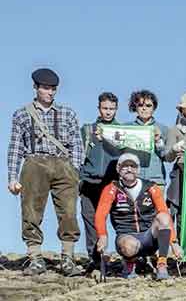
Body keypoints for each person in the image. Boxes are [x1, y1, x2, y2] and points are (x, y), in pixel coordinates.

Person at [7, 68, 85, 276]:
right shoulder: (22, 114)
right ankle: (35, 258)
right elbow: (15, 146)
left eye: (53, 89)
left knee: (68, 212)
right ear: (36, 88)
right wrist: (12, 177)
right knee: (31, 211)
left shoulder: (67, 113)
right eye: (46, 88)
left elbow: (77, 144)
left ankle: (68, 259)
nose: (50, 93)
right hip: (34, 163)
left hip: (63, 164)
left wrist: (74, 168)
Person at [93, 153, 175, 280]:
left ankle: (162, 264)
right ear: (118, 169)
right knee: (128, 246)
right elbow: (100, 215)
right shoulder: (111, 189)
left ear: (138, 169)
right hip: (127, 236)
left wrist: (173, 242)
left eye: (133, 166)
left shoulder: (151, 187)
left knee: (163, 216)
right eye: (125, 166)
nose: (129, 169)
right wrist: (102, 236)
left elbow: (164, 212)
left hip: (149, 236)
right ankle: (129, 264)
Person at [79, 92, 122, 270]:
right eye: (105, 108)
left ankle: (128, 257)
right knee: (90, 219)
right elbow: (78, 155)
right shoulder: (88, 130)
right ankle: (95, 258)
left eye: (112, 109)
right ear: (99, 108)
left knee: (117, 219)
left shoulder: (122, 131)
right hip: (89, 181)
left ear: (116, 109)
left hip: (111, 182)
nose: (108, 112)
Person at [127, 90, 169, 187]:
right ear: (135, 107)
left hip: (156, 181)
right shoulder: (127, 128)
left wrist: (158, 141)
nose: (144, 108)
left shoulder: (163, 129)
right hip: (132, 180)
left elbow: (166, 156)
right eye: (141, 105)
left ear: (154, 108)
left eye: (148, 106)